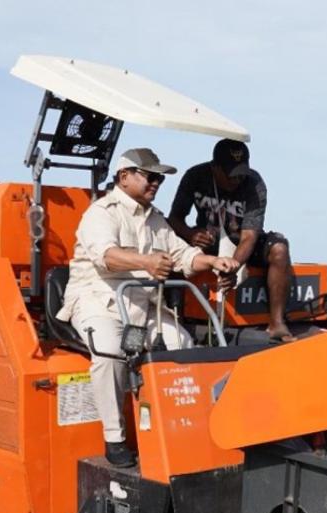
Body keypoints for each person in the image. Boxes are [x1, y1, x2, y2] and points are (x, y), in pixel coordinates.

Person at [56, 148, 239, 468]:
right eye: (150, 176)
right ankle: (114, 437)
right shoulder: (101, 213)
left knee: (182, 345)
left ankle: (179, 429)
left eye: (160, 178)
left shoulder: (156, 219)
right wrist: (147, 262)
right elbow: (106, 256)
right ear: (124, 176)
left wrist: (213, 261)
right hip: (99, 300)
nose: (157, 183)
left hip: (143, 304)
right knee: (110, 351)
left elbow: (183, 256)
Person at [168, 139, 295, 342]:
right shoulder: (195, 176)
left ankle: (277, 323)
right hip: (207, 240)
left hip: (242, 243)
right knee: (171, 248)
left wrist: (233, 266)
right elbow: (174, 219)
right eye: (230, 175)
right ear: (215, 167)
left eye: (241, 174)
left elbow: (249, 236)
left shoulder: (254, 184)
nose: (236, 180)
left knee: (279, 248)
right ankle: (175, 318)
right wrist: (190, 235)